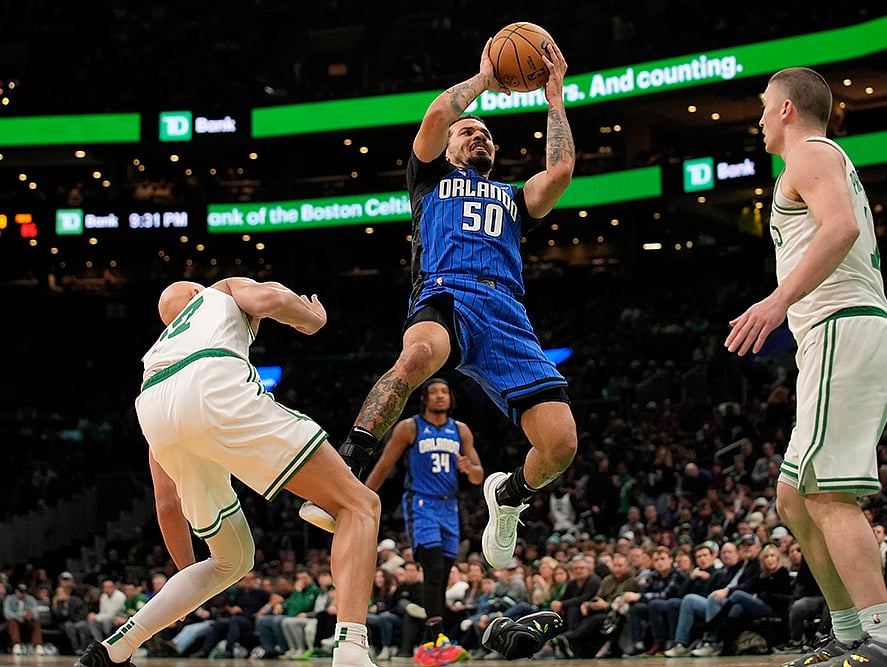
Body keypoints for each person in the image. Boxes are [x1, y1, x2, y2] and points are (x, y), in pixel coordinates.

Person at [303, 34, 573, 662]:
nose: (478, 138)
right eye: (468, 133)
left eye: (486, 136)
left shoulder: (511, 199)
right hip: (445, 292)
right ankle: (342, 471)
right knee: (418, 354)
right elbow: (433, 117)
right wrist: (485, 81)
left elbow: (558, 172)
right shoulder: (428, 182)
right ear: (450, 146)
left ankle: (508, 497)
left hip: (505, 311)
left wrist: (554, 97)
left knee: (560, 444)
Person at [72, 277, 380, 667]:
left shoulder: (158, 355)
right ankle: (351, 651)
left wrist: (188, 584)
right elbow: (269, 297)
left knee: (231, 559)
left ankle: (113, 651)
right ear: (196, 295)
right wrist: (312, 319)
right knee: (359, 504)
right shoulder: (221, 291)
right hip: (211, 384)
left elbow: (167, 504)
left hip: (152, 409)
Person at [725, 67, 887, 667]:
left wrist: (778, 301)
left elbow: (842, 227)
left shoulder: (808, 153)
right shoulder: (815, 160)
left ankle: (885, 638)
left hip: (845, 330)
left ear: (786, 109)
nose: (758, 119)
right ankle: (851, 633)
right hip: (845, 336)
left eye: (763, 107)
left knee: (830, 496)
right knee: (791, 497)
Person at [363, 377, 484, 661]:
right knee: (432, 570)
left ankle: (430, 644)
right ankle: (439, 638)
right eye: (434, 392)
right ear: (424, 399)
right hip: (421, 504)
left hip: (450, 507)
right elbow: (384, 464)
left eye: (445, 392)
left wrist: (470, 468)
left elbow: (479, 476)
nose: (441, 396)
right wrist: (363, 495)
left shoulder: (461, 431)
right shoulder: (410, 427)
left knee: (443, 573)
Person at [4, 583, 44, 656]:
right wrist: (20, 615)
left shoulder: (31, 599)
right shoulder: (9, 599)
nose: (22, 594)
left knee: (36, 623)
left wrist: (29, 615)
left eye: (24, 592)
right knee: (12, 622)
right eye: (20, 591)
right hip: (14, 622)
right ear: (16, 591)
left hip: (27, 621)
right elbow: (7, 614)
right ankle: (16, 645)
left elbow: (36, 614)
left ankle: (38, 645)